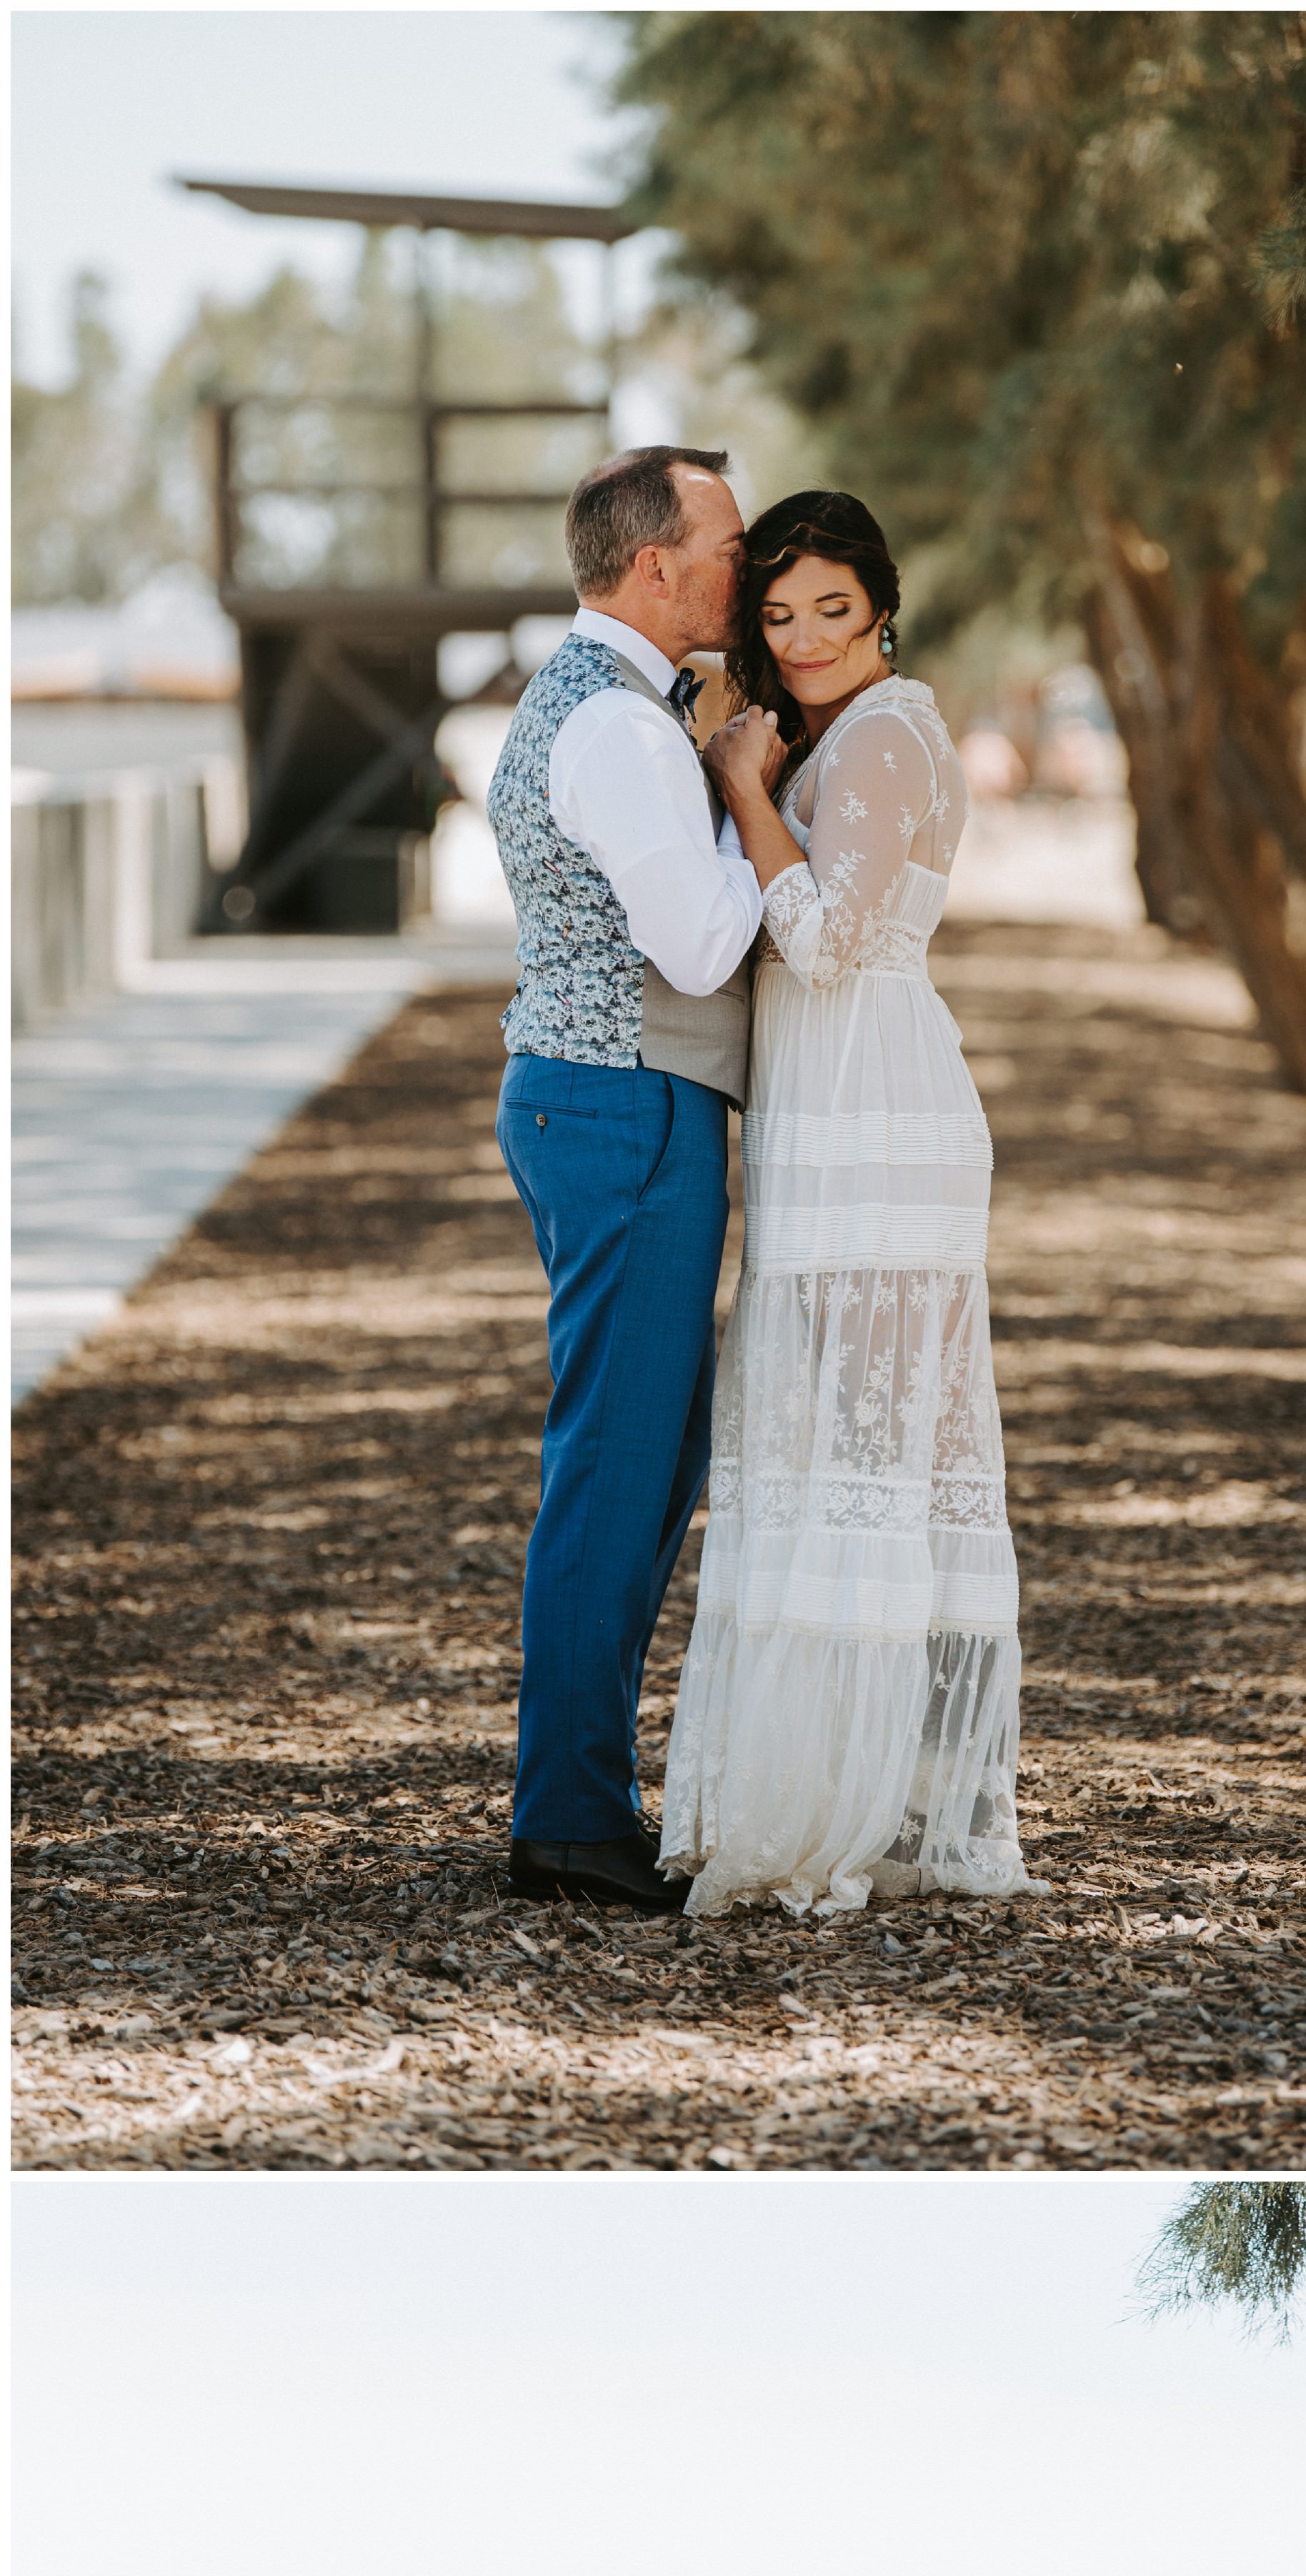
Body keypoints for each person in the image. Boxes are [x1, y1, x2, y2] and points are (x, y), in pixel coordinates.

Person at [658, 489, 1026, 1915]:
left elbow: (822, 939)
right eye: (777, 613)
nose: (803, 638)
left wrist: (743, 785)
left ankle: (870, 1804)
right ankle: (886, 1793)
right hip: (835, 1122)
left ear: (880, 603)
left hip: (882, 1126)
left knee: (865, 1464)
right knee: (848, 1457)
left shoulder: (878, 736)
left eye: (830, 608)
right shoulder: (855, 730)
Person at [488, 445, 767, 1919]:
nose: (749, 565)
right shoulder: (625, 732)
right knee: (615, 1462)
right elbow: (709, 947)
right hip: (627, 1109)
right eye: (726, 542)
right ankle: (570, 1814)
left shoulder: (596, 705)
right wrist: (746, 791)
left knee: (643, 1462)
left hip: (603, 1101)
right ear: (654, 565)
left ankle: (582, 1797)